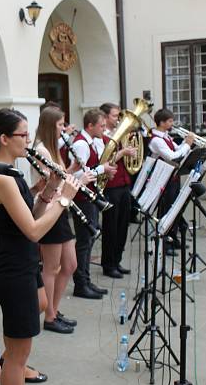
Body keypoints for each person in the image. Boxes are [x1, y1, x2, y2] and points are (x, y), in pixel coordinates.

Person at [0, 108, 80, 385]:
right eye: (23, 135)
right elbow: (36, 230)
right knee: (19, 356)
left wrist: (50, 192)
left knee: (23, 343)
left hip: (21, 264)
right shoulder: (4, 179)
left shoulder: (11, 174)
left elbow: (33, 216)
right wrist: (66, 199)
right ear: (4, 139)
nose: (29, 141)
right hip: (14, 269)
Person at [30, 106, 90, 333]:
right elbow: (52, 185)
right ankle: (50, 316)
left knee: (70, 264)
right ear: (49, 125)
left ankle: (54, 309)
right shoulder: (42, 150)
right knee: (52, 267)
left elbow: (61, 177)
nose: (63, 129)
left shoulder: (53, 150)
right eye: (60, 124)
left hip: (60, 208)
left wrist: (74, 170)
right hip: (49, 210)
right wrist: (79, 181)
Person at [70, 109, 116, 299]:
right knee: (84, 242)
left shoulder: (90, 142)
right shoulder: (81, 143)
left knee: (88, 241)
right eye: (101, 126)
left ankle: (86, 280)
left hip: (89, 196)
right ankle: (80, 284)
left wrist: (102, 171)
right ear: (90, 126)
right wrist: (101, 169)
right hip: (81, 198)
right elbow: (77, 174)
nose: (104, 129)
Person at [148, 108, 195, 256]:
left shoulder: (166, 137)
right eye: (169, 121)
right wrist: (187, 144)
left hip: (172, 177)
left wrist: (187, 144)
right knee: (165, 210)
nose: (172, 123)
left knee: (174, 209)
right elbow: (172, 156)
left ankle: (172, 237)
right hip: (163, 180)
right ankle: (163, 242)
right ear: (161, 123)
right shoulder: (156, 140)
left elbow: (178, 150)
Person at [99, 102, 138, 278]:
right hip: (111, 186)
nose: (119, 119)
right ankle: (108, 264)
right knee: (111, 227)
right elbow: (103, 161)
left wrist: (133, 152)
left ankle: (117, 260)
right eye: (115, 116)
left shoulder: (120, 135)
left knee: (123, 225)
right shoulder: (102, 137)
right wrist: (123, 153)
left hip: (124, 183)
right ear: (105, 117)